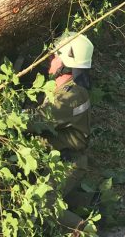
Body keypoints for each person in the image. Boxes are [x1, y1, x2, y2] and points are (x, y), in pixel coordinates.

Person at [28, 32, 94, 229]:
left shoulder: (71, 95)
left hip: (67, 164)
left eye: (55, 56)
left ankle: (86, 232)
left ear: (66, 62)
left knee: (42, 206)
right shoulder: (62, 90)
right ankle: (90, 201)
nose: (51, 59)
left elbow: (37, 121)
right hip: (57, 160)